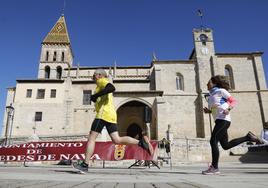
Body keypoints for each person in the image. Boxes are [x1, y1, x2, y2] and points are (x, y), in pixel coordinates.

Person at [72, 69, 153, 173]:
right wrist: (96, 97)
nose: (93, 78)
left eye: (94, 75)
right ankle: (141, 143)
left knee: (91, 138)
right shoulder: (99, 86)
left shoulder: (102, 81)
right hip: (111, 115)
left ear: (99, 75)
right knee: (117, 140)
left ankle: (85, 164)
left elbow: (112, 87)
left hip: (102, 115)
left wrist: (96, 96)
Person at [202, 75, 264, 175]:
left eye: (209, 82)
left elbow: (233, 101)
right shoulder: (211, 95)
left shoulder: (221, 91)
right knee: (225, 145)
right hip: (219, 120)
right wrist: (209, 111)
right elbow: (216, 108)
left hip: (224, 120)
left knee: (213, 140)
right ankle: (248, 137)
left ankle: (214, 168)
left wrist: (229, 109)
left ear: (214, 83)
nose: (207, 84)